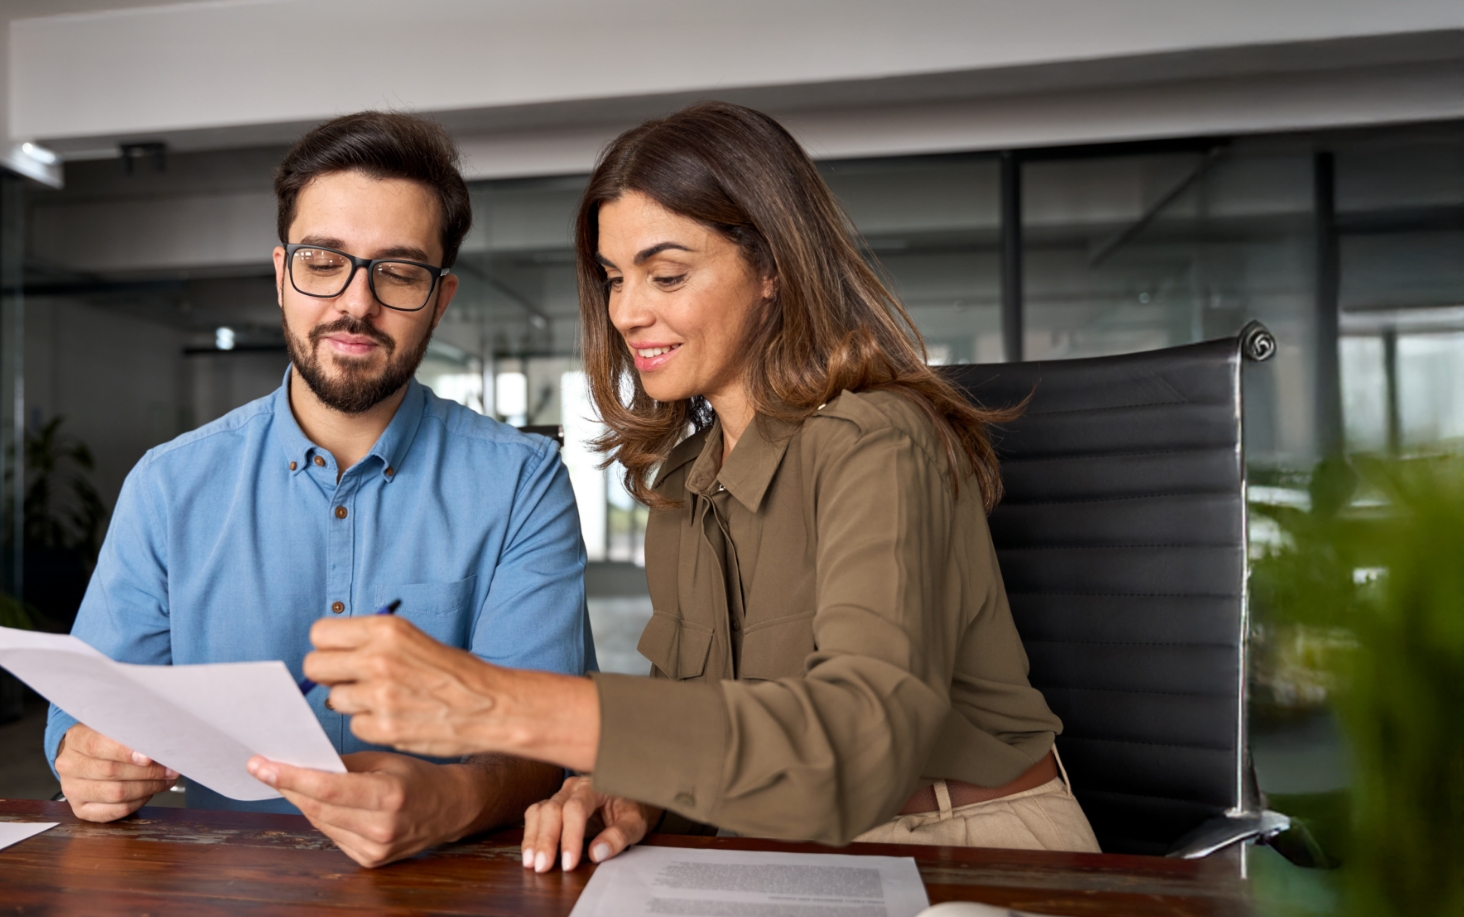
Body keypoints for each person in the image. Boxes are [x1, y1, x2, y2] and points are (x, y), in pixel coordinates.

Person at [301, 102, 1100, 874]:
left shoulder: (880, 441)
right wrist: (633, 789)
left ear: (772, 269)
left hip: (968, 846)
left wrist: (501, 705)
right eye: (615, 279)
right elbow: (715, 734)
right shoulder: (685, 486)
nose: (628, 312)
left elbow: (857, 749)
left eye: (668, 274)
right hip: (787, 852)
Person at [45, 111, 594, 868]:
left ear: (441, 298)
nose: (356, 303)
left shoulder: (521, 483)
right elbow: (84, 713)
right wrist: (84, 757)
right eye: (324, 260)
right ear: (281, 275)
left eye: (398, 272)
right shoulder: (169, 486)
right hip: (221, 906)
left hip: (455, 903)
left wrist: (448, 801)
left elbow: (546, 742)